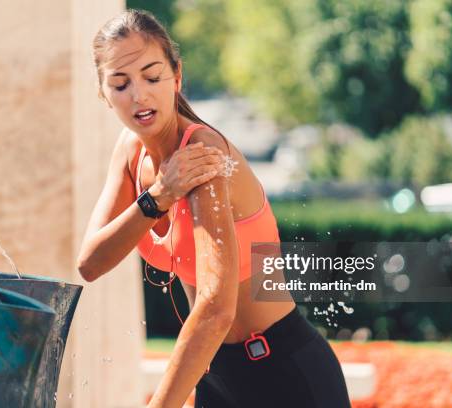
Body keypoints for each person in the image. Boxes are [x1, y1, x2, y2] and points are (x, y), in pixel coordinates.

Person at [77, 9, 351, 408]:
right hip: (217, 375)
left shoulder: (203, 155)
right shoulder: (131, 153)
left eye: (152, 77)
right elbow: (91, 263)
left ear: (177, 77)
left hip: (287, 376)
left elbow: (216, 308)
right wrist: (158, 197)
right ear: (104, 93)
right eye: (120, 84)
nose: (139, 95)